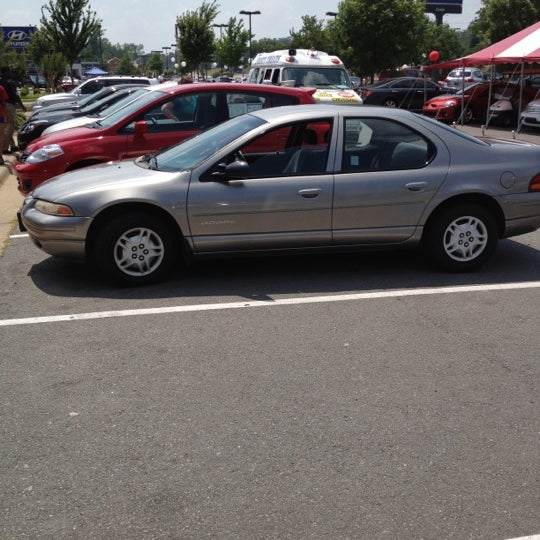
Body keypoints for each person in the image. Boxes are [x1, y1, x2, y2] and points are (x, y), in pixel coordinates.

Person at [0, 66, 27, 154]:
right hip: (8, 105)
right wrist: (22, 106)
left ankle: (12, 146)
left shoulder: (2, 81)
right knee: (9, 127)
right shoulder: (8, 82)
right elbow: (15, 95)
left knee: (7, 127)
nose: (10, 73)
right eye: (9, 71)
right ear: (5, 72)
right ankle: (4, 148)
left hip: (5, 106)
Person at [0, 81, 9, 165]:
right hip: (0, 115)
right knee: (1, 136)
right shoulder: (1, 88)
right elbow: (4, 103)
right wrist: (7, 115)